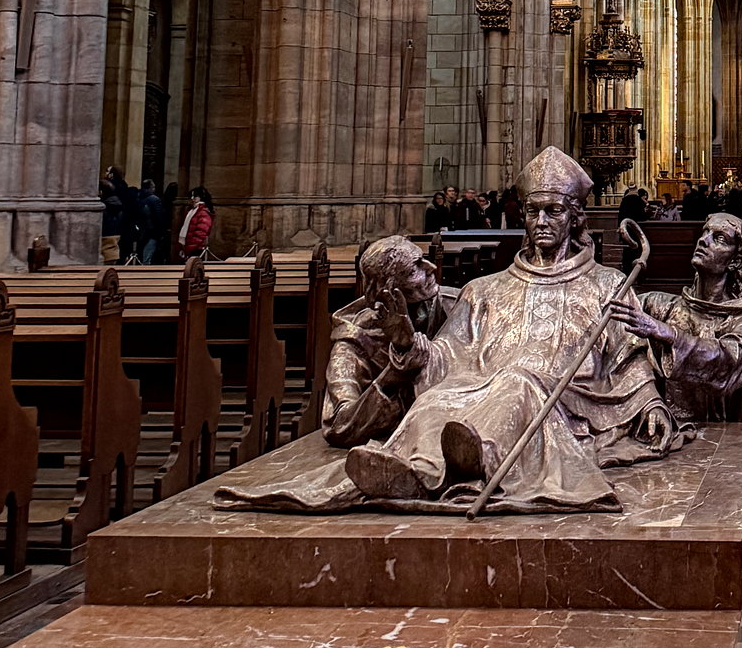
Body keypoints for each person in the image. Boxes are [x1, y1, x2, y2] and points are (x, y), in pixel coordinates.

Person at [219, 147, 691, 515]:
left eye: (553, 211)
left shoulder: (607, 285)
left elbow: (628, 355)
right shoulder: (483, 289)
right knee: (438, 399)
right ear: (521, 218)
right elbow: (447, 357)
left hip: (561, 401)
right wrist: (408, 346)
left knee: (516, 382)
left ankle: (451, 463)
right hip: (476, 392)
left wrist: (649, 402)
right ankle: (415, 468)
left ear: (574, 216)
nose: (542, 221)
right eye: (533, 212)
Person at [612, 212, 742, 425]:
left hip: (711, 441)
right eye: (705, 233)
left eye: (719, 239)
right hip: (650, 425)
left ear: (735, 262)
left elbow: (722, 365)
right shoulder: (656, 305)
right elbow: (607, 322)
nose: (704, 240)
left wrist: (666, 333)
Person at [136, 178, 170, 264]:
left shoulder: (138, 197)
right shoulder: (154, 199)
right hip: (153, 231)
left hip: (141, 230)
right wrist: (163, 229)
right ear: (150, 188)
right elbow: (159, 216)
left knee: (143, 252)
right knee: (149, 255)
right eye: (153, 187)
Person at [177, 185, 214, 259]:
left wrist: (190, 248)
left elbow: (201, 232)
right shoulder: (192, 211)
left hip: (197, 248)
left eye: (194, 196)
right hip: (189, 246)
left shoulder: (203, 212)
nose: (192, 198)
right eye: (192, 196)